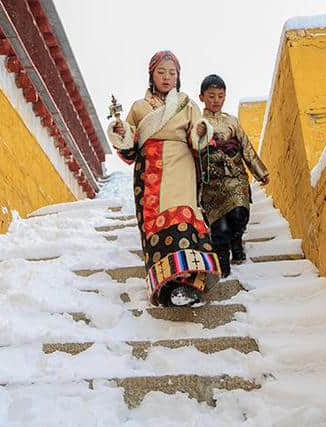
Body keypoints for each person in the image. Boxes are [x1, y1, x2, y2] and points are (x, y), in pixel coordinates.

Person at [107, 51, 220, 307]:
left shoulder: (187, 105)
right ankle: (166, 285)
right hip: (150, 171)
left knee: (183, 217)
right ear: (151, 75)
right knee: (156, 228)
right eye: (161, 72)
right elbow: (129, 149)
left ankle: (189, 283)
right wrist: (121, 132)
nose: (167, 77)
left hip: (180, 165)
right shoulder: (138, 107)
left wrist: (202, 130)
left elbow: (198, 137)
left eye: (172, 73)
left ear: (178, 76)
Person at [198, 74, 269, 277]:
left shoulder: (233, 121)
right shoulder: (197, 122)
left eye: (220, 96)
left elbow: (246, 147)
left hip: (235, 175)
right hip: (210, 181)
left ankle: (236, 239)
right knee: (219, 227)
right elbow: (192, 149)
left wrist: (260, 171)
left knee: (239, 214)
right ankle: (223, 267)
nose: (216, 100)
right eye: (211, 96)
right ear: (202, 97)